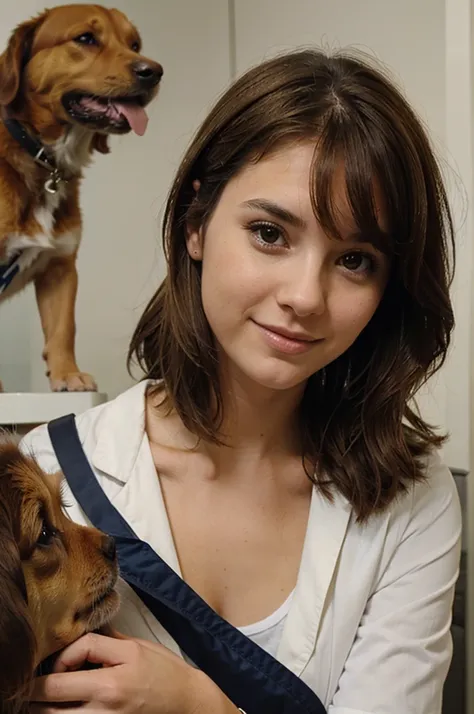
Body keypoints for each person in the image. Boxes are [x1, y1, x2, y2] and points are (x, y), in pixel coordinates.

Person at [22, 48, 462, 714]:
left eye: (354, 259)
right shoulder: (50, 482)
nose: (305, 296)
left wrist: (200, 707)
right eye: (269, 233)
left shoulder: (412, 497)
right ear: (197, 222)